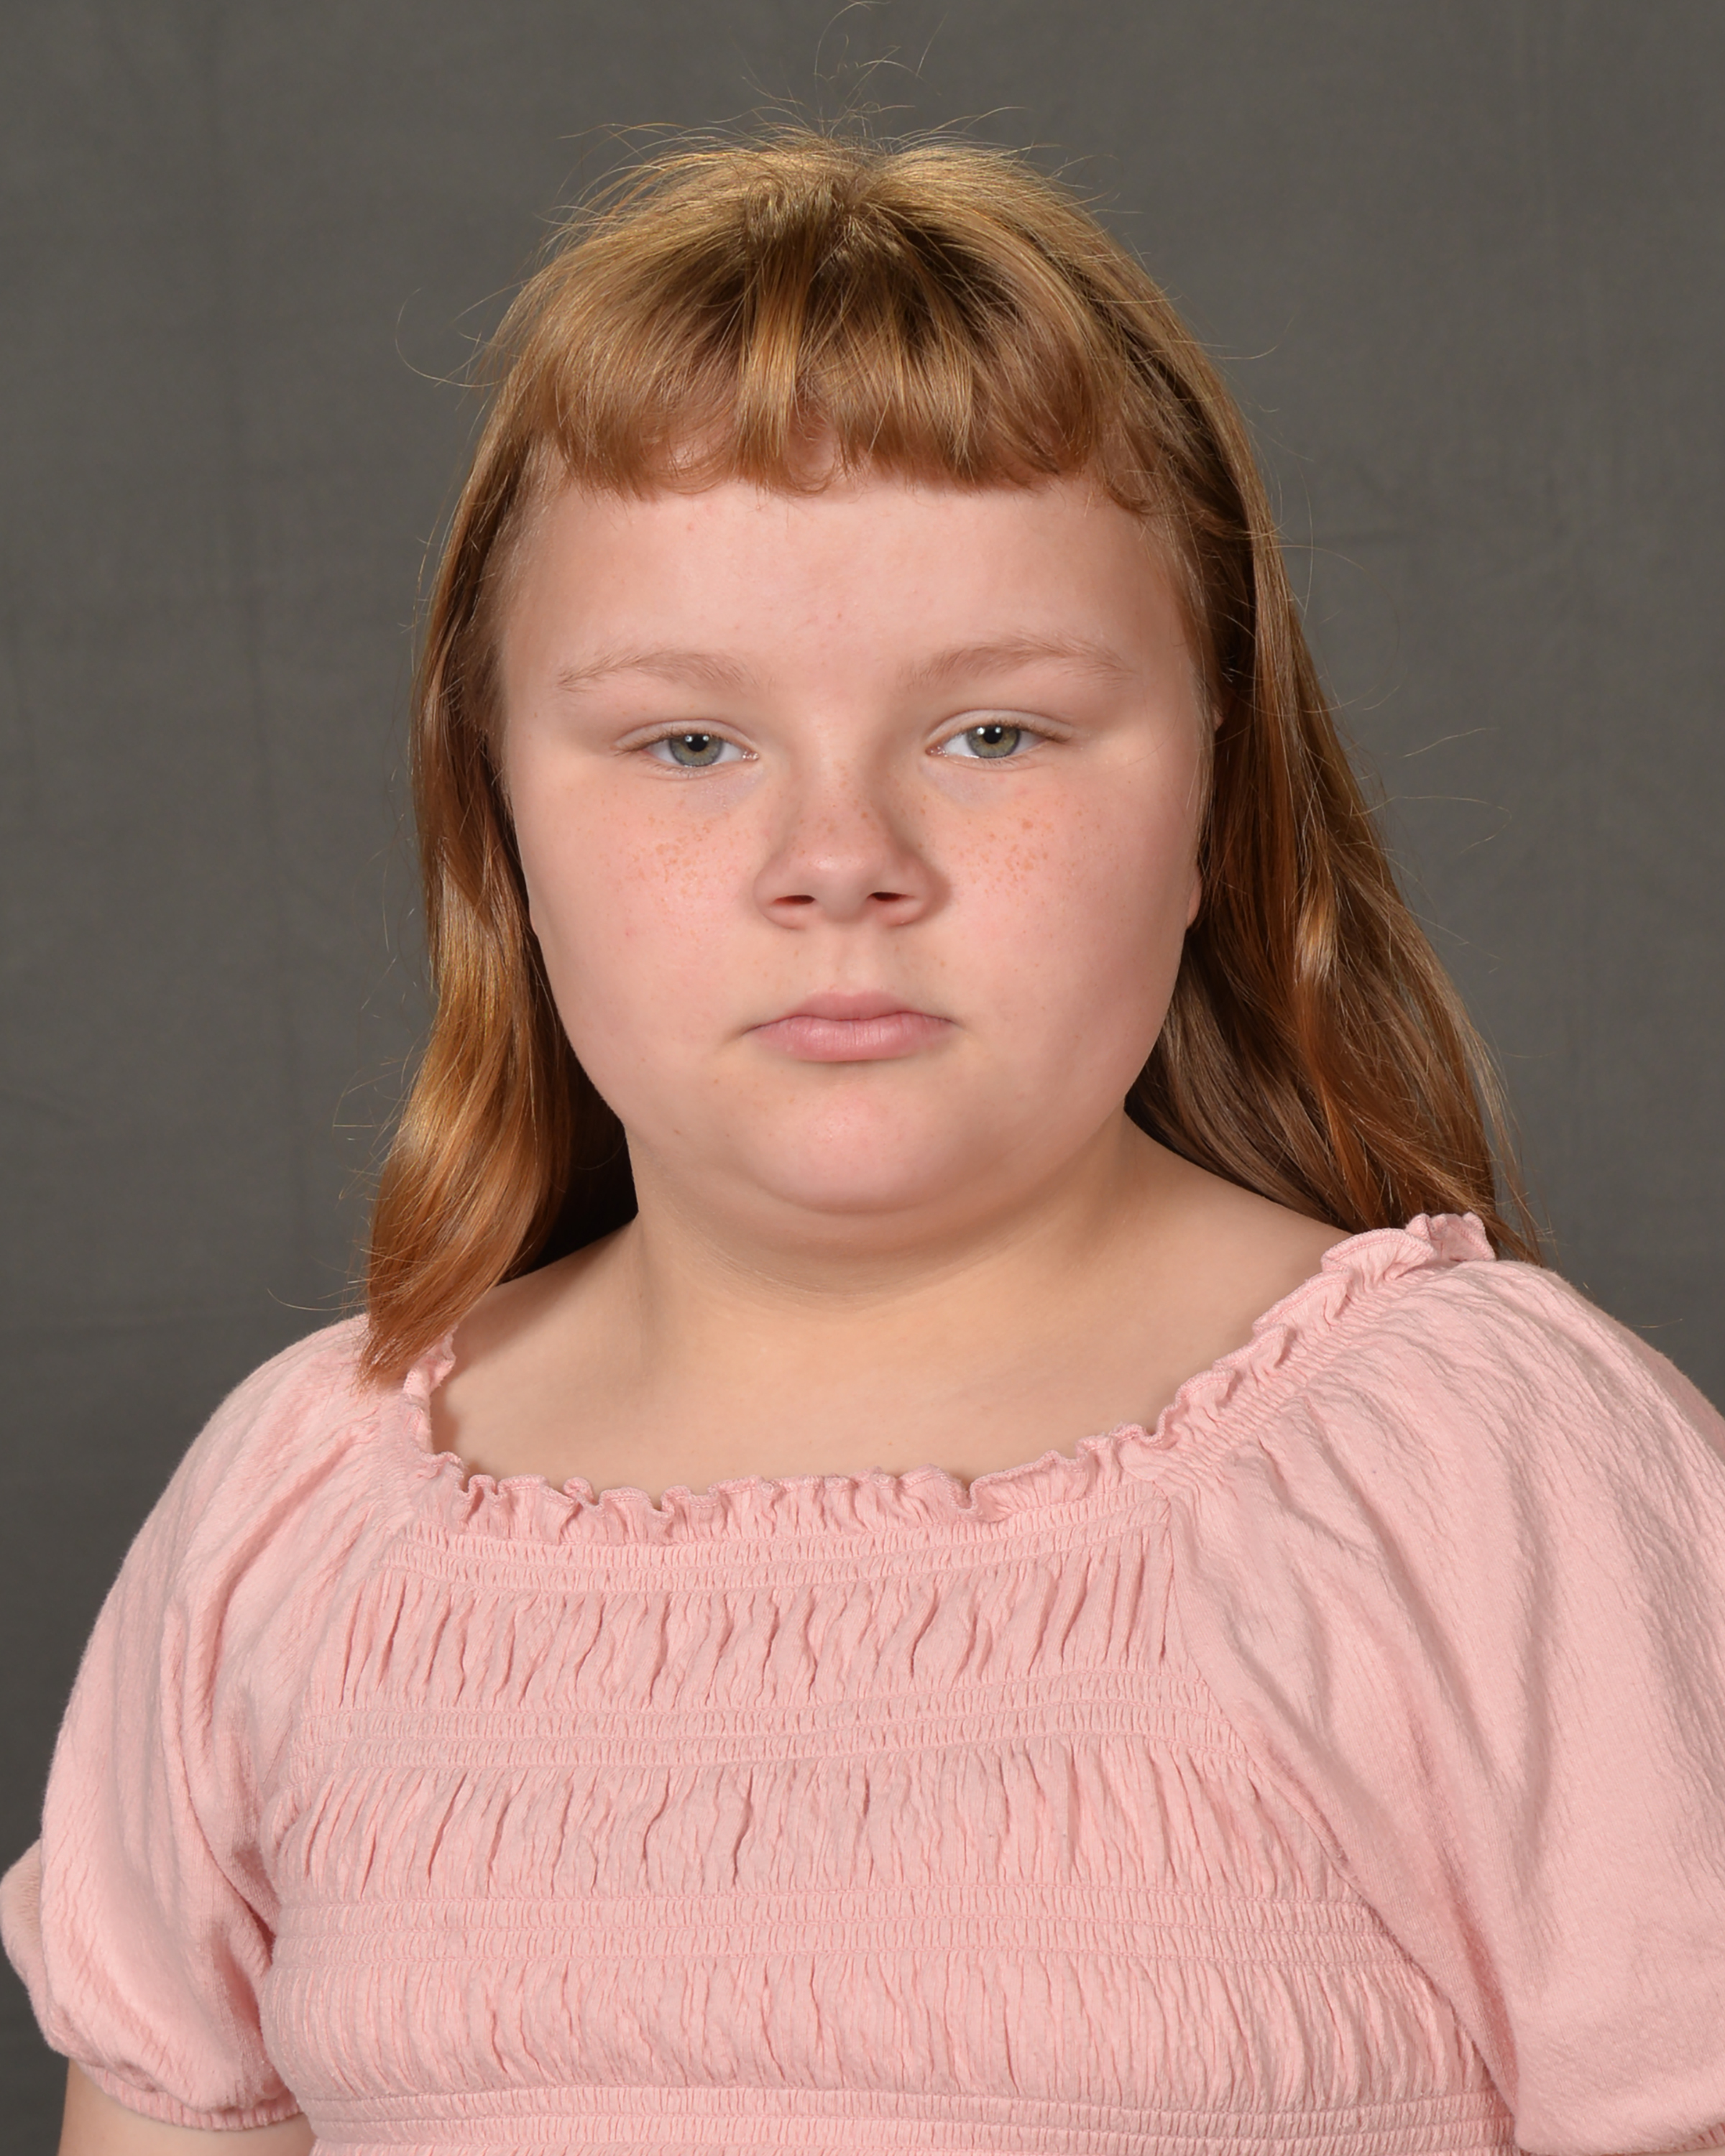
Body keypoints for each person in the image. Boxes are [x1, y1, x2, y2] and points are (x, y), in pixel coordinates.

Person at [5, 126, 1723, 2156]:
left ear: (1216, 802)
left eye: (993, 731)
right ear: (500, 827)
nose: (839, 859)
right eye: (688, 742)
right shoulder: (294, 1526)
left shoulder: (1485, 1481)